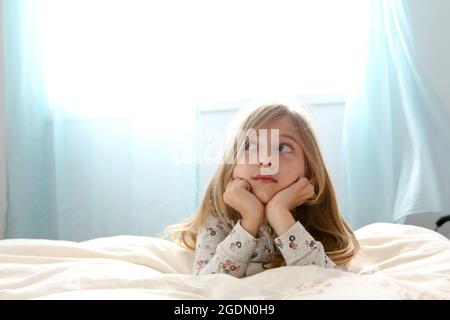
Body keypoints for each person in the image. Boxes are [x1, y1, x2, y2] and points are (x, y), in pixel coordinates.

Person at [163, 103, 359, 278]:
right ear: (231, 164)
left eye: (282, 147)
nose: (265, 160)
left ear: (308, 168)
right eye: (251, 146)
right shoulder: (220, 218)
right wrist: (250, 220)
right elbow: (207, 282)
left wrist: (280, 214)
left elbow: (332, 282)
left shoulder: (315, 219)